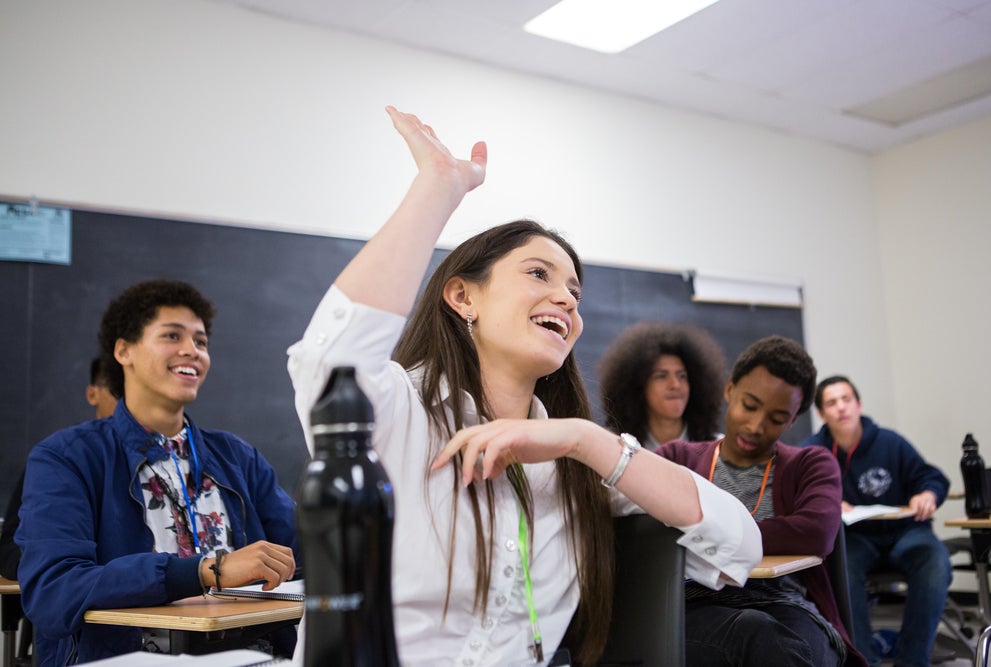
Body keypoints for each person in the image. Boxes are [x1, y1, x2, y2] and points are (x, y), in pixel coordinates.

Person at [287, 106, 762, 666]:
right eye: (538, 274)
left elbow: (738, 547)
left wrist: (589, 442)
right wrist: (438, 188)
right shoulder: (399, 411)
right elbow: (331, 363)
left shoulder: (573, 460)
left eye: (574, 293)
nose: (565, 298)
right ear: (463, 297)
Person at [16, 279, 299, 666]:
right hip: (129, 656)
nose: (192, 351)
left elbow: (308, 551)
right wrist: (206, 571)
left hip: (251, 655)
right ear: (124, 350)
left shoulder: (237, 456)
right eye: (172, 335)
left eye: (201, 342)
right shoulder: (66, 458)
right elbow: (53, 590)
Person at [651, 336, 866, 666]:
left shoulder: (811, 464)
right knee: (756, 634)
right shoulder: (676, 459)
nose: (755, 426)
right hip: (696, 605)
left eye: (777, 418)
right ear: (729, 389)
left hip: (786, 604)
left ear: (793, 420)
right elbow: (646, 533)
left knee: (779, 642)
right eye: (749, 405)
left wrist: (703, 532)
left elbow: (816, 532)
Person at [803, 375, 952, 667]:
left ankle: (912, 660)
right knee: (839, 568)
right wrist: (827, 502)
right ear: (821, 413)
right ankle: (863, 660)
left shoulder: (890, 442)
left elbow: (931, 476)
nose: (841, 408)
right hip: (854, 538)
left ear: (858, 404)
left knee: (935, 562)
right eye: (831, 403)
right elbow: (801, 495)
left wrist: (927, 494)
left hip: (905, 531)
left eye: (846, 399)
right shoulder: (813, 451)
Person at [0, 357, 120, 580]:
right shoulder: (60, 457)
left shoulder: (173, 459)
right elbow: (9, 548)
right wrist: (54, 558)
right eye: (117, 392)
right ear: (92, 394)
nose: (128, 404)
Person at [599, 320, 727, 448]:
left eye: (682, 376)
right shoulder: (616, 447)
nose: (675, 384)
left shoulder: (718, 449)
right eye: (661, 376)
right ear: (638, 387)